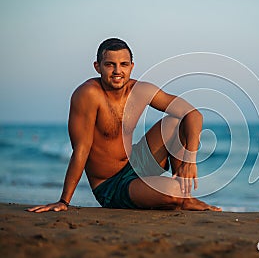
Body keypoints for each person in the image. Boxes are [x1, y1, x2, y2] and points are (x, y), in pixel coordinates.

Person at [28, 38, 221, 212]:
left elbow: (193, 114)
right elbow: (81, 149)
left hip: (135, 163)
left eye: (123, 64)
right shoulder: (88, 94)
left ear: (132, 66)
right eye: (110, 64)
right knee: (173, 192)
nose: (117, 71)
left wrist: (190, 159)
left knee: (175, 122)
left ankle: (186, 199)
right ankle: (180, 196)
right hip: (110, 184)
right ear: (98, 67)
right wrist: (64, 201)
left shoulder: (140, 90)